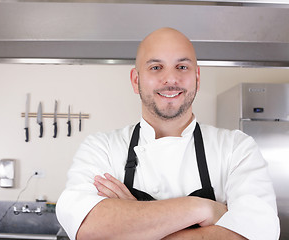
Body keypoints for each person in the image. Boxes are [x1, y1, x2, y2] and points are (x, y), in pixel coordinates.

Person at [56, 27, 280, 240]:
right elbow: (87, 227)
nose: (171, 79)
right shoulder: (101, 147)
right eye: (156, 67)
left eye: (182, 67)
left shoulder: (236, 148)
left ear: (197, 77)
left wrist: (132, 218)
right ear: (136, 80)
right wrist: (202, 208)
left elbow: (260, 233)